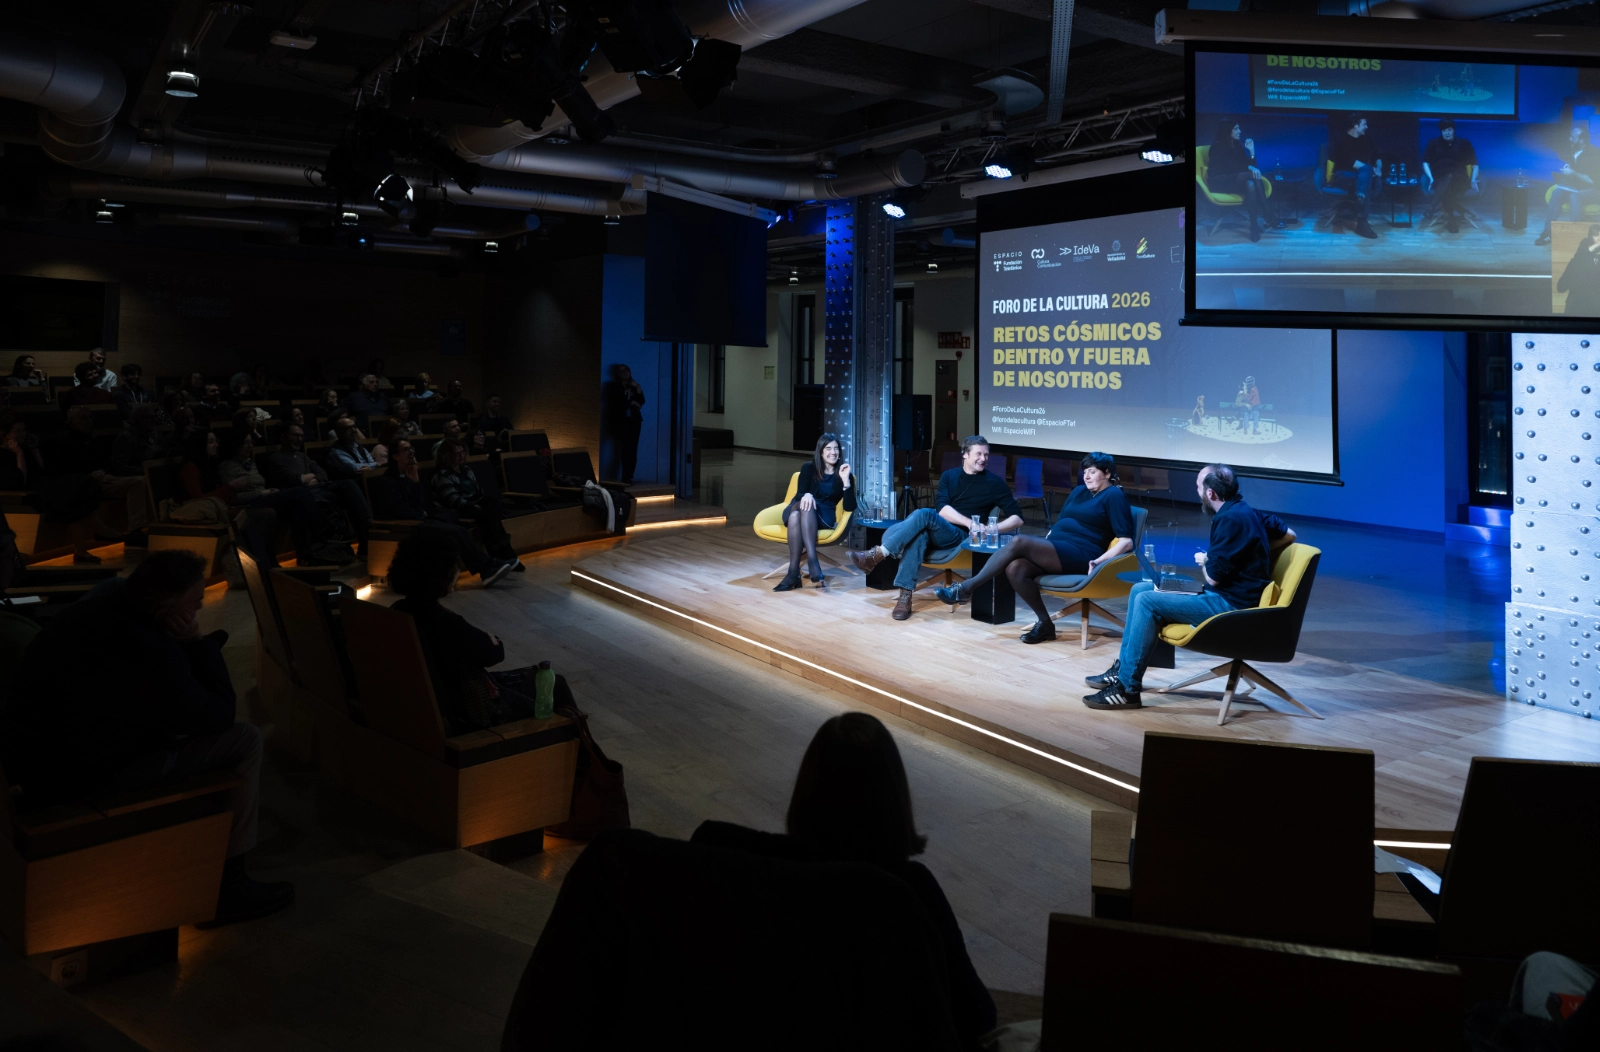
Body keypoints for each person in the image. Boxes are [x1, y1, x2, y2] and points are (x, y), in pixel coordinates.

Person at [0, 550, 295, 927]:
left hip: (37, 762)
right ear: (166, 609)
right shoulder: (150, 650)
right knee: (245, 740)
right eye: (195, 602)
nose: (201, 607)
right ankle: (228, 887)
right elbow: (218, 715)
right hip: (82, 779)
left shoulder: (94, 608)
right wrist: (195, 643)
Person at [692, 713, 996, 1048]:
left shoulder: (729, 852)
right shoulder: (908, 889)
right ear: (894, 799)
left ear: (805, 788)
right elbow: (976, 1016)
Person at [1082, 464, 1294, 710]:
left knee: (1147, 601)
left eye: (1198, 487)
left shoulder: (1229, 520)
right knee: (1140, 590)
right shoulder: (1246, 510)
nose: (1197, 491)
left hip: (1230, 604)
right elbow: (1290, 534)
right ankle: (1123, 671)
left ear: (1211, 494)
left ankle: (1127, 689)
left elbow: (1214, 578)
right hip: (1227, 595)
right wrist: (1251, 551)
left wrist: (1206, 560)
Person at [936, 451, 1135, 644]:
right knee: (1016, 569)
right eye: (1084, 471)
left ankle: (967, 588)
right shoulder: (1079, 491)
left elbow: (1127, 541)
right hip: (1058, 548)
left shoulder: (1113, 496)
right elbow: (1063, 520)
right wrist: (1049, 538)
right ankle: (1045, 624)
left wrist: (1099, 561)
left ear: (1107, 473)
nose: (1086, 475)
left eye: (1092, 471)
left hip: (1083, 554)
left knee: (1018, 541)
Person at [388, 533, 569, 732]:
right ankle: (582, 759)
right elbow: (493, 653)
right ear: (442, 574)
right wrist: (492, 640)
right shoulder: (446, 623)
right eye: (455, 566)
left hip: (429, 708)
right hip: (468, 712)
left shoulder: (399, 610)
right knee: (555, 684)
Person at [849, 435, 1022, 621]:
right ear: (965, 454)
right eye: (978, 454)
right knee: (920, 533)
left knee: (923, 515)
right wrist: (970, 522)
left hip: (962, 539)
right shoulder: (949, 476)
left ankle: (878, 556)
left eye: (986, 454)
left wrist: (992, 528)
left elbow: (1017, 518)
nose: (983, 458)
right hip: (943, 530)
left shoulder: (995, 483)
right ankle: (904, 597)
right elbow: (942, 510)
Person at [368, 438, 517, 585]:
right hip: (404, 526)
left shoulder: (408, 476)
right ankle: (487, 568)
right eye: (406, 449)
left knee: (458, 525)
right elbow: (399, 512)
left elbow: (420, 504)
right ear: (395, 456)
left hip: (418, 520)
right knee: (456, 531)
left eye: (412, 448)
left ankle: (488, 565)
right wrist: (422, 514)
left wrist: (415, 482)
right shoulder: (386, 482)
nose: (411, 452)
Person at [262, 423, 372, 558]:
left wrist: (311, 478)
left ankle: (366, 531)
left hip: (317, 489)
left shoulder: (303, 456)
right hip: (300, 495)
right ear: (283, 437)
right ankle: (328, 535)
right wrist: (311, 478)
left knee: (348, 484)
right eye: (295, 435)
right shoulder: (275, 458)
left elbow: (322, 473)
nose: (299, 439)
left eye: (301, 436)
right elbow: (293, 479)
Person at [218, 431, 327, 565]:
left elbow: (258, 484)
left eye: (251, 443)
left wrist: (266, 491)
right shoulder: (226, 466)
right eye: (246, 443)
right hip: (248, 503)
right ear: (236, 445)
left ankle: (306, 556)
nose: (250, 446)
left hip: (264, 496)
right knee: (300, 492)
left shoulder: (250, 463)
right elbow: (232, 497)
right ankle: (322, 535)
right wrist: (261, 493)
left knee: (297, 508)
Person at [774, 433, 855, 592]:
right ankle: (812, 560)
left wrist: (846, 481)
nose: (833, 452)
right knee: (801, 508)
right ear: (821, 451)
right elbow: (799, 495)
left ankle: (793, 573)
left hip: (823, 516)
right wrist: (807, 495)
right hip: (798, 506)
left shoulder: (845, 474)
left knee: (796, 516)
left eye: (836, 449)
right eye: (828, 448)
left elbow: (850, 507)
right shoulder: (808, 468)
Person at [431, 437, 520, 567]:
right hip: (457, 509)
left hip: (473, 503)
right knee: (487, 514)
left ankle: (499, 552)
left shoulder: (467, 470)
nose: (461, 456)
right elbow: (452, 499)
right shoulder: (442, 475)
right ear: (447, 455)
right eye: (457, 453)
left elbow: (478, 491)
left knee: (491, 504)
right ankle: (504, 553)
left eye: (463, 452)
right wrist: (472, 504)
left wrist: (478, 502)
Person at [1208, 120, 1279, 241]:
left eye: (1238, 128)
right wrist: (1249, 167)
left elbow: (1247, 166)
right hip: (1219, 182)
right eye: (1236, 129)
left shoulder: (1236, 145)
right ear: (1227, 130)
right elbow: (1230, 169)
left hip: (1234, 181)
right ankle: (1268, 213)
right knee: (1251, 176)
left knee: (1250, 184)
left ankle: (1254, 227)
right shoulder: (1216, 147)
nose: (1239, 131)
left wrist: (1251, 151)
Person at [1540, 124, 1600, 246]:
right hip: (1577, 187)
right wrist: (1569, 169)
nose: (1570, 139)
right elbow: (1578, 171)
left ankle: (1575, 237)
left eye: (1573, 137)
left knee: (1575, 196)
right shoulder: (1575, 151)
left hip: (1594, 190)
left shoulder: (1594, 154)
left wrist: (1573, 172)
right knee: (1557, 193)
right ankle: (1548, 233)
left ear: (1582, 140)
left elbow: (1593, 180)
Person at [1421, 118, 1478, 234]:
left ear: (1454, 130)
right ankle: (1452, 220)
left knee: (1450, 177)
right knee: (1447, 184)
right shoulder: (1433, 143)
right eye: (1444, 130)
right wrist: (1431, 178)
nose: (1447, 133)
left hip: (1460, 179)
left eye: (1449, 130)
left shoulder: (1464, 143)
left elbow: (1474, 165)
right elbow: (1425, 162)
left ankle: (1432, 207)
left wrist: (1473, 179)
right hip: (1439, 179)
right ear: (1441, 131)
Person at [1329, 113, 1381, 240]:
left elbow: (1377, 156)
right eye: (1364, 124)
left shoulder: (1366, 139)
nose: (1367, 127)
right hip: (1342, 175)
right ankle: (1362, 222)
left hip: (1359, 177)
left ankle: (1360, 198)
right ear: (1355, 125)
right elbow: (1349, 162)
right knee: (1366, 175)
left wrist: (1379, 168)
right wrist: (1370, 169)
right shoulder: (1341, 139)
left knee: (1365, 182)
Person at [604, 364, 647, 483]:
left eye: (626, 370)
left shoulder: (634, 385)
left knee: (632, 449)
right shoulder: (614, 386)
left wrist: (637, 387)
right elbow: (617, 401)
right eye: (621, 371)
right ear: (617, 374)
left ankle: (628, 476)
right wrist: (633, 403)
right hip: (621, 421)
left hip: (634, 421)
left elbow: (642, 400)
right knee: (626, 448)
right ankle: (624, 477)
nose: (624, 373)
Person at [1558, 225, 1600, 317]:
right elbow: (1561, 287)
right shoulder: (1576, 262)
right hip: (1576, 309)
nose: (1599, 239)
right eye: (1596, 235)